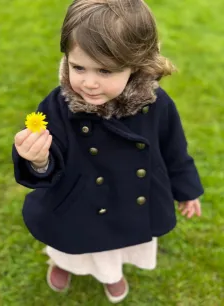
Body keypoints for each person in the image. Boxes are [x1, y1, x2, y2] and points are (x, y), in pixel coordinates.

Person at [12, 0, 204, 303]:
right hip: (78, 201)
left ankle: (112, 274)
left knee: (114, 245)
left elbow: (174, 149)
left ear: (137, 64)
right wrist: (38, 159)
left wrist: (187, 189)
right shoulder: (57, 105)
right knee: (68, 241)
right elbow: (52, 163)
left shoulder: (157, 104)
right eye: (78, 67)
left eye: (105, 70)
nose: (88, 83)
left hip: (128, 200)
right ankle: (62, 262)